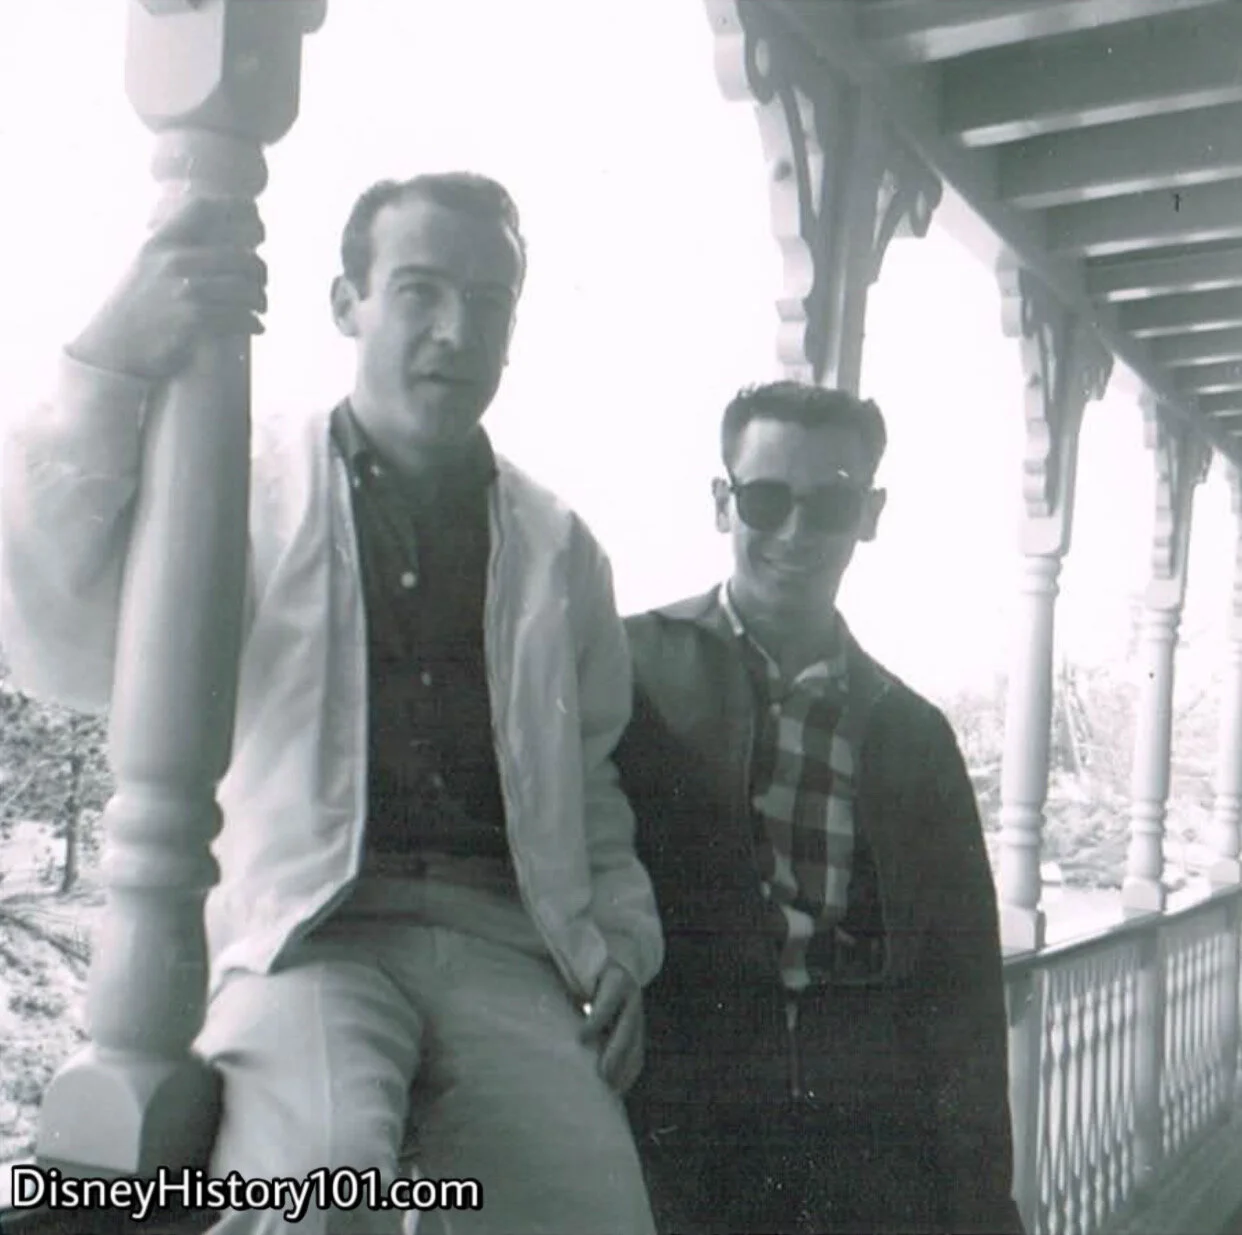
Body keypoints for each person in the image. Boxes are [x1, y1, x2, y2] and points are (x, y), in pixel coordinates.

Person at [0, 173, 662, 1235]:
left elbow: (589, 780)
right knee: (314, 1187)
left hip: (505, 941)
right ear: (347, 302)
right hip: (308, 934)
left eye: (488, 302)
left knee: (592, 1209)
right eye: (419, 290)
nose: (457, 329)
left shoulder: (557, 545)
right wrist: (107, 363)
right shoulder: (245, 483)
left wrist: (621, 945)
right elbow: (62, 640)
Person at [616, 381, 1024, 1235]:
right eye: (767, 499)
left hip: (866, 1154)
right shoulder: (630, 671)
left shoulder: (913, 734)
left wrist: (985, 1208)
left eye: (830, 503)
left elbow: (966, 998)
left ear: (869, 513)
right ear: (722, 502)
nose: (797, 532)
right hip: (684, 1144)